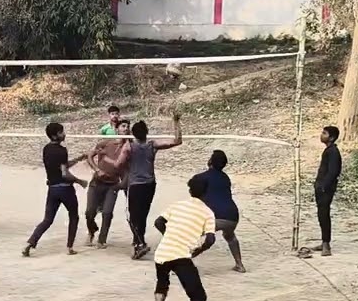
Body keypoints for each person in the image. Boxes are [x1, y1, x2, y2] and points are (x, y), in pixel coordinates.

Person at [152, 174, 218, 301]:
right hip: (181, 255)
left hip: (162, 252)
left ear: (190, 190)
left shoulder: (177, 205)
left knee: (162, 283)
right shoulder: (208, 213)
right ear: (207, 193)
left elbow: (158, 222)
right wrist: (198, 250)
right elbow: (210, 239)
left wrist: (169, 236)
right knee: (198, 296)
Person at [120, 112, 183, 260]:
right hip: (149, 185)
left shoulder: (129, 147)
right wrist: (176, 122)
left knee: (133, 216)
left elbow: (119, 164)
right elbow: (177, 141)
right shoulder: (152, 145)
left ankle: (139, 243)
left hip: (136, 185)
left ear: (133, 134)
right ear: (146, 132)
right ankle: (139, 242)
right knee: (142, 215)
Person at [23, 122, 88, 257]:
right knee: (73, 216)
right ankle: (70, 247)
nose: (64, 134)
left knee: (47, 220)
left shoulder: (46, 149)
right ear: (55, 135)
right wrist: (79, 181)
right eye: (61, 132)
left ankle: (30, 242)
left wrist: (78, 159)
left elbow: (61, 166)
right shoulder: (62, 150)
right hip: (65, 190)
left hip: (52, 189)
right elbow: (64, 173)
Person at [197, 150, 246, 272]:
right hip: (232, 217)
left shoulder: (202, 177)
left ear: (210, 161)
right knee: (230, 236)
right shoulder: (225, 178)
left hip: (216, 216)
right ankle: (239, 264)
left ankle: (182, 264)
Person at [85, 118, 129, 248]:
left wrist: (123, 184)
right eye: (123, 126)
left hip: (112, 184)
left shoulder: (128, 148)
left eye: (128, 127)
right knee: (89, 212)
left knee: (107, 213)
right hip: (97, 182)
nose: (126, 129)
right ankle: (92, 231)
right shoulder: (105, 143)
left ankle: (102, 239)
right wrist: (97, 170)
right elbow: (89, 156)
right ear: (117, 129)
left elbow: (128, 168)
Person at [315, 125, 342, 256]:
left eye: (324, 133)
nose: (322, 135)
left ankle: (326, 244)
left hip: (326, 188)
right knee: (321, 214)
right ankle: (324, 242)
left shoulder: (333, 152)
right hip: (321, 187)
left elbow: (333, 172)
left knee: (324, 214)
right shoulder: (328, 150)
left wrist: (324, 186)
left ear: (331, 138)